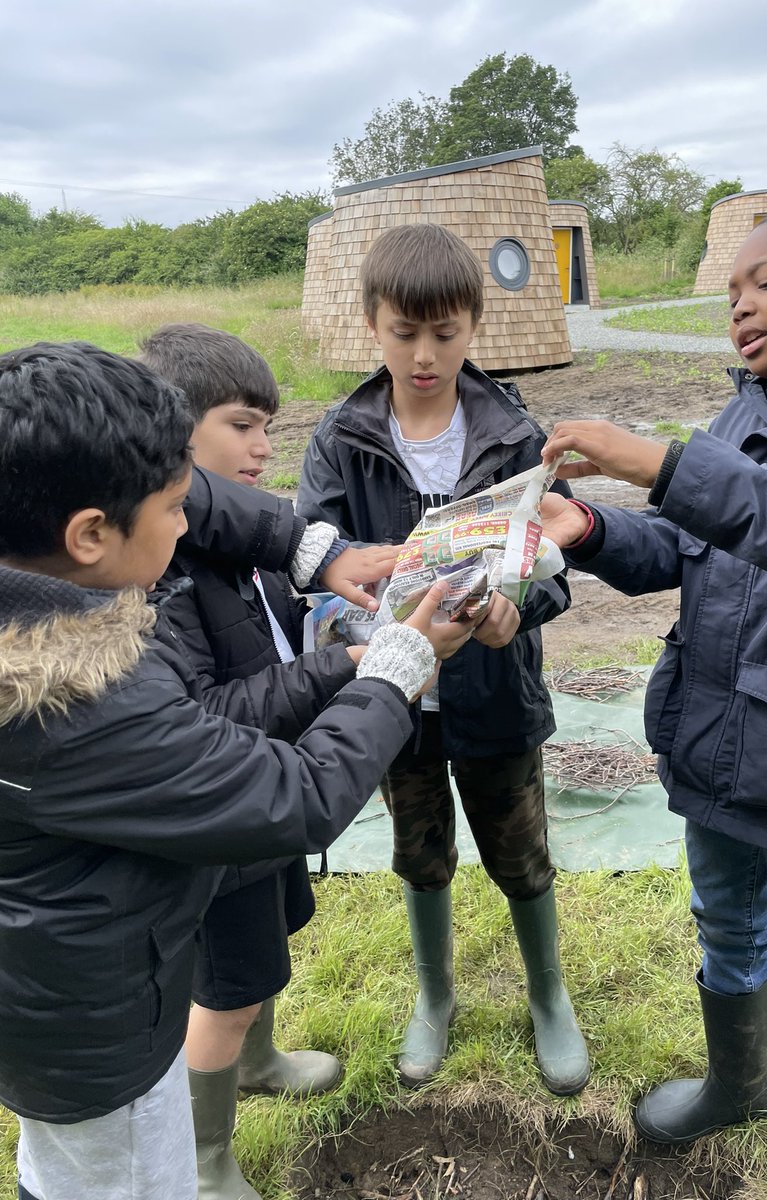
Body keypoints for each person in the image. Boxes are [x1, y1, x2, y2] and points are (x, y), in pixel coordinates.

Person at [0, 341, 469, 1200]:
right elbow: (295, 797)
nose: (191, 524)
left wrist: (315, 562)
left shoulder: (40, 576)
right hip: (98, 1037)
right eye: (174, 507)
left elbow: (219, 503)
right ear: (91, 534)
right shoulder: (72, 709)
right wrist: (395, 664)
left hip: (60, 990)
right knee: (125, 1178)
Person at [538, 204, 767, 1198]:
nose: (739, 304)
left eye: (765, 281)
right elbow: (688, 548)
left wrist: (655, 459)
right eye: (732, 290)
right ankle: (742, 1086)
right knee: (726, 925)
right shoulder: (743, 412)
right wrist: (594, 529)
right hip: (715, 739)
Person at [296, 222, 590, 1096]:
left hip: (498, 691)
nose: (425, 355)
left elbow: (557, 561)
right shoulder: (341, 438)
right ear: (372, 324)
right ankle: (434, 996)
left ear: (473, 326)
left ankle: (549, 996)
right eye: (404, 333)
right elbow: (317, 565)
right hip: (397, 699)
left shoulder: (513, 433)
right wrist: (368, 623)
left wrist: (516, 613)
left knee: (520, 851)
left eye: (445, 333)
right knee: (420, 853)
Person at [139, 321, 400, 1200]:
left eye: (267, 428)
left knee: (265, 954)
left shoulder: (238, 538)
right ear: (175, 436)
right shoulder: (165, 568)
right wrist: (345, 666)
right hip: (224, 814)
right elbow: (200, 716)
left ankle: (258, 1062)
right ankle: (207, 1161)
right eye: (242, 426)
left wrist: (326, 624)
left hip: (266, 790)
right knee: (228, 985)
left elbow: (267, 643)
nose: (262, 449)